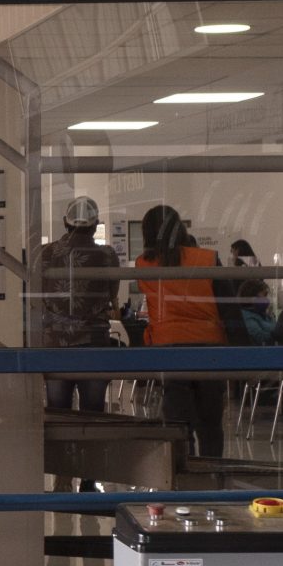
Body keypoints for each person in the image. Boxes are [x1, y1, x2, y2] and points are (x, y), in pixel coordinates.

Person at [136, 204, 227, 460]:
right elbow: (227, 307)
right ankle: (212, 476)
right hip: (209, 349)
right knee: (210, 424)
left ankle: (182, 477)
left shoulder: (143, 264)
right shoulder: (207, 259)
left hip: (170, 349)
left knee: (178, 424)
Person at [33, 196, 121, 411]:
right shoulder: (107, 255)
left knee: (57, 409)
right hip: (94, 344)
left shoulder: (45, 253)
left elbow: (36, 296)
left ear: (65, 221)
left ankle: (62, 446)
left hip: (55, 344)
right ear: (95, 225)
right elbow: (112, 293)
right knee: (93, 410)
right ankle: (93, 445)